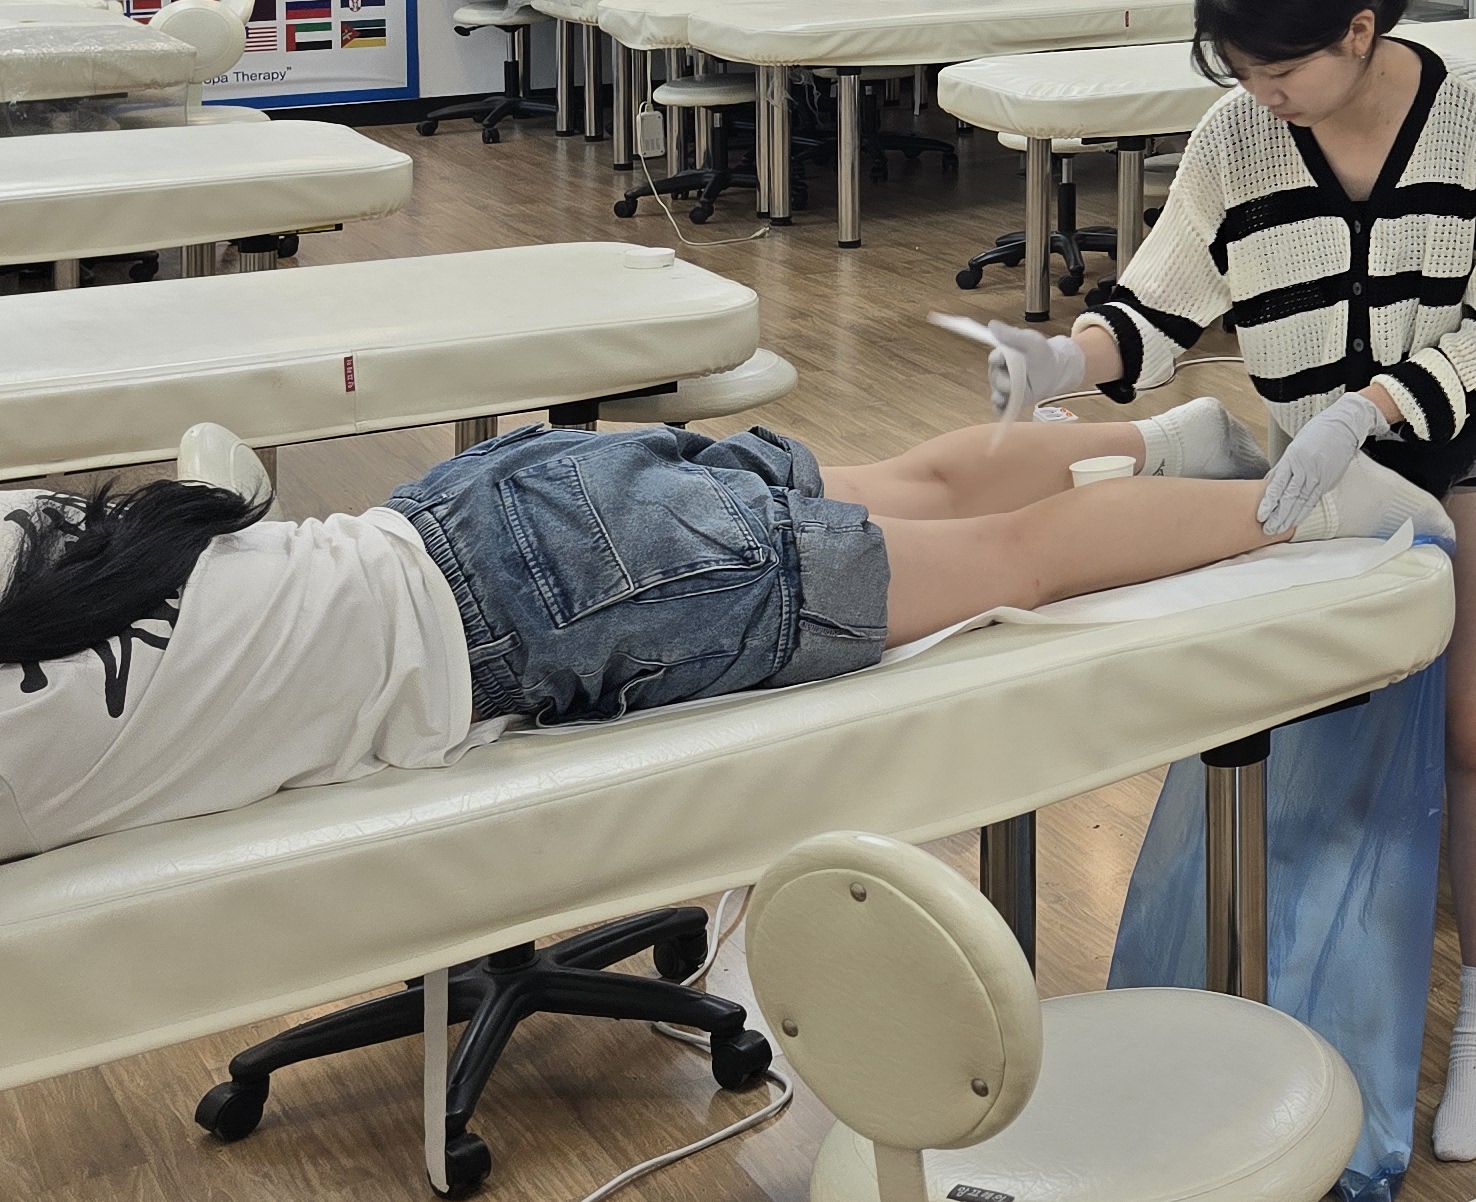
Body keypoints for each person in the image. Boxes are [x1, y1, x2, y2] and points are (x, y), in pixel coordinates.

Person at [973, 0, 1476, 1160]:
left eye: (1280, 69)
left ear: (1360, 32)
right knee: (1311, 710)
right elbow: (1159, 305)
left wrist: (1372, 408)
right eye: (1238, 71)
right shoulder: (1236, 137)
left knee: (1472, 727)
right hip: (1323, 445)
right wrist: (1062, 359)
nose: (1261, 95)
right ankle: (1296, 985)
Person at [0, 396, 1401, 864]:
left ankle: (1305, 509)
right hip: (482, 500)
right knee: (917, 485)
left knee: (1011, 564)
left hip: (546, 613)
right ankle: (1167, 437)